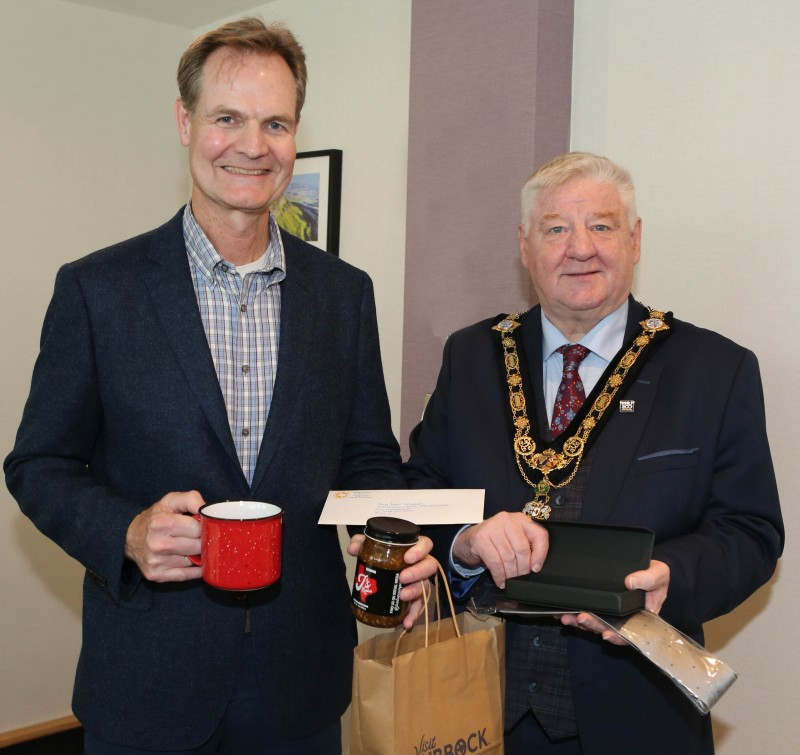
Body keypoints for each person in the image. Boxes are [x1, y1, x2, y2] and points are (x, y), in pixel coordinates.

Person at [4, 18, 435, 755]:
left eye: (275, 122)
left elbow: (366, 453)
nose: (250, 144)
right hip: (146, 677)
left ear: (295, 132)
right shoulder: (97, 290)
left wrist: (383, 542)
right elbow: (38, 465)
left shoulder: (343, 294)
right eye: (226, 118)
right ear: (184, 120)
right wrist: (127, 530)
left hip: (300, 680)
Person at [403, 152, 784, 755]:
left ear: (635, 240)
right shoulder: (471, 355)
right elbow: (420, 491)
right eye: (556, 228)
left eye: (602, 226)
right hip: (474, 710)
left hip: (640, 715)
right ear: (525, 246)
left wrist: (670, 579)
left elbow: (750, 531)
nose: (580, 248)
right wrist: (465, 541)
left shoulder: (716, 369)